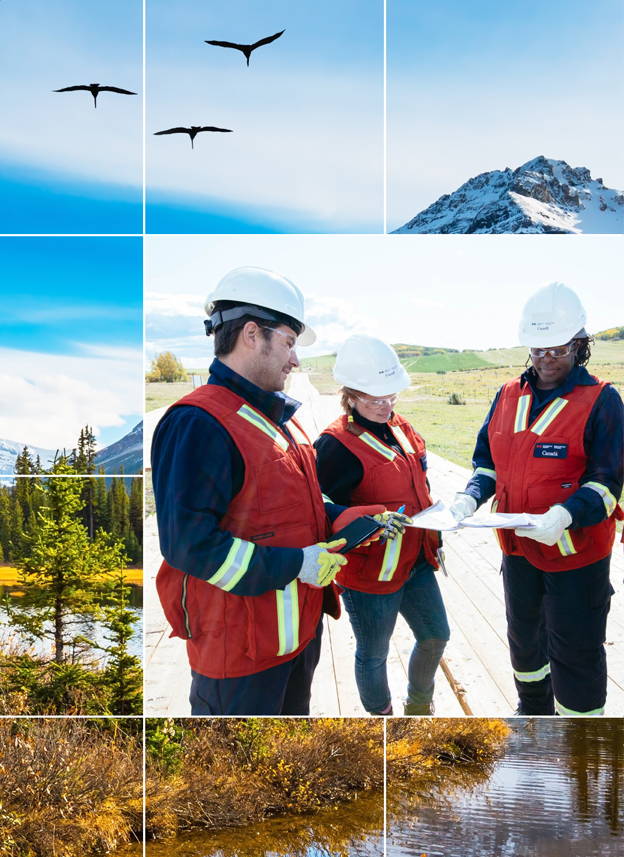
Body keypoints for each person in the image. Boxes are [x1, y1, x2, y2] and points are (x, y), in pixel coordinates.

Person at [151, 266, 408, 715]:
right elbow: (189, 545)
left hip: (293, 642)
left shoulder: (274, 419)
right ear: (252, 334)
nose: (295, 360)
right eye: (289, 342)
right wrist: (298, 564)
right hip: (239, 661)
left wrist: (356, 521)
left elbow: (299, 509)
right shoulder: (199, 423)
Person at [451, 282, 624, 716]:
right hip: (518, 552)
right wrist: (469, 499)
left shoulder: (602, 401)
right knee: (525, 643)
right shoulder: (508, 395)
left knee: (576, 654)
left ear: (579, 345)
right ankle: (533, 714)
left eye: (558, 350)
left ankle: (581, 743)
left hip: (575, 557)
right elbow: (487, 463)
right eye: (537, 349)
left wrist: (566, 514)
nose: (547, 359)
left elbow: (608, 483)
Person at [314, 335, 449, 716]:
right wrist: (366, 520)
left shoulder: (400, 425)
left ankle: (419, 708)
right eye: (375, 399)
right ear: (351, 395)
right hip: (370, 575)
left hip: (417, 562)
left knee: (436, 635)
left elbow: (416, 479)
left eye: (392, 396)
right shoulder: (335, 445)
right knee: (374, 655)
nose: (386, 405)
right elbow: (315, 506)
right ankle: (382, 719)